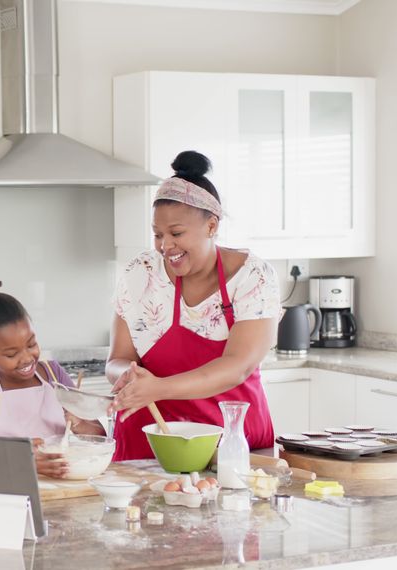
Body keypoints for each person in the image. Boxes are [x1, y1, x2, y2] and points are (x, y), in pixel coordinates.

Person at [106, 150, 279, 461]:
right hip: (151, 445)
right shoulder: (140, 273)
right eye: (157, 235)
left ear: (211, 226)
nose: (164, 246)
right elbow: (117, 359)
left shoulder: (252, 277)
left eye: (176, 233)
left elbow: (237, 367)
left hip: (230, 447)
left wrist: (158, 388)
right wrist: (128, 376)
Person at [0, 276, 105, 478]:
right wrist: (25, 462)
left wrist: (79, 422)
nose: (27, 358)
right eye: (11, 354)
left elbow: (99, 437)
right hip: (8, 491)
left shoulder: (54, 374)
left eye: (31, 344)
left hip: (61, 486)